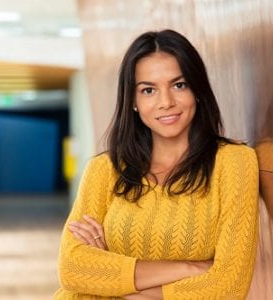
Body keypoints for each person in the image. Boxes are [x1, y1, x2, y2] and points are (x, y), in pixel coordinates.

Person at [54, 29, 259, 299]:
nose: (166, 102)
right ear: (133, 102)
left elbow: (229, 286)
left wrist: (112, 279)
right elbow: (72, 269)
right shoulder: (105, 169)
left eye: (179, 85)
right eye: (148, 90)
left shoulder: (233, 163)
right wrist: (191, 268)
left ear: (197, 89)